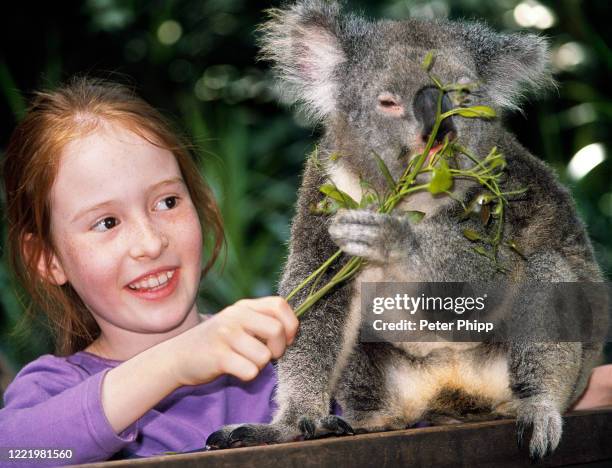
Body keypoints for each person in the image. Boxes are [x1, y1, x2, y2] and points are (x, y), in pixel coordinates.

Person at [0, 76, 299, 465]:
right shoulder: (53, 391)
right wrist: (174, 362)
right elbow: (13, 452)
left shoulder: (283, 357)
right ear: (47, 259)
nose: (150, 243)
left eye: (167, 201)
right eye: (106, 222)